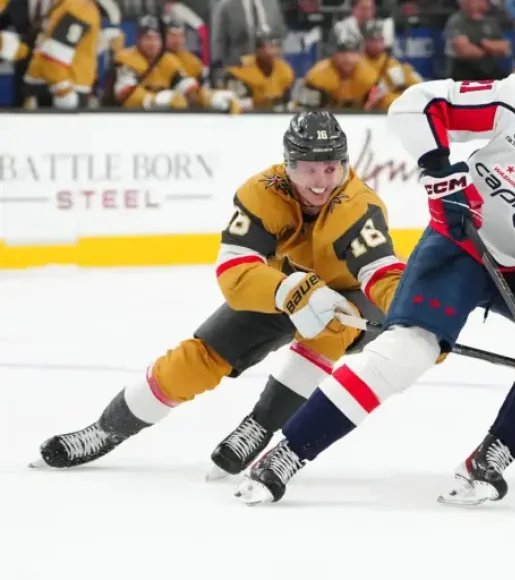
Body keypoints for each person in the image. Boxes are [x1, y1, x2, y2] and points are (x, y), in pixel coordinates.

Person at [235, 38, 515, 506]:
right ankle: (285, 453)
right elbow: (416, 105)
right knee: (406, 352)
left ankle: (492, 456)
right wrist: (438, 171)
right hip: (463, 243)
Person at [29, 112, 406, 476]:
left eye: (330, 167)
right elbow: (234, 273)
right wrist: (291, 289)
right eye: (309, 167)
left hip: (350, 295)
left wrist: (414, 316)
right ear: (288, 165)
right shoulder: (261, 192)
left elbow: (382, 274)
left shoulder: (359, 206)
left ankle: (261, 424)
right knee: (200, 356)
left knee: (331, 325)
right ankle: (106, 428)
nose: (322, 180)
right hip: (287, 286)